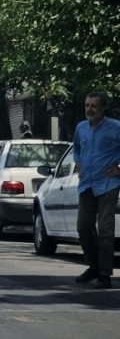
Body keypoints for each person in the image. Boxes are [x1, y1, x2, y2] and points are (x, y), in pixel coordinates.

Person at [73, 92, 120, 289]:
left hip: (108, 184)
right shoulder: (81, 128)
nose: (89, 109)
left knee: (106, 230)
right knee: (83, 228)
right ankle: (94, 266)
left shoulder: (116, 127)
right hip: (87, 184)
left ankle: (104, 274)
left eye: (93, 106)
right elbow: (76, 149)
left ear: (103, 109)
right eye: (87, 105)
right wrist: (78, 163)